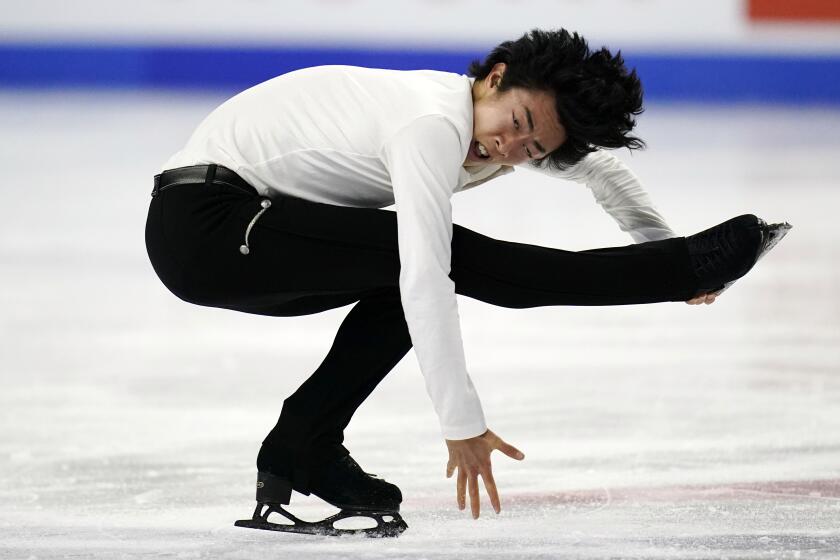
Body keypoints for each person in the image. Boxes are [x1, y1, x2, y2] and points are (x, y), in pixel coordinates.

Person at [144, 28, 781, 536]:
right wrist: (461, 422)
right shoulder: (432, 123)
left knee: (410, 277)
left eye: (534, 149)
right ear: (495, 79)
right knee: (451, 262)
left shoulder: (493, 129)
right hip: (208, 226)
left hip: (242, 235)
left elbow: (600, 172)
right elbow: (428, 273)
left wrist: (660, 244)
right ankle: (676, 271)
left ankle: (301, 446)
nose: (511, 147)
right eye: (518, 120)